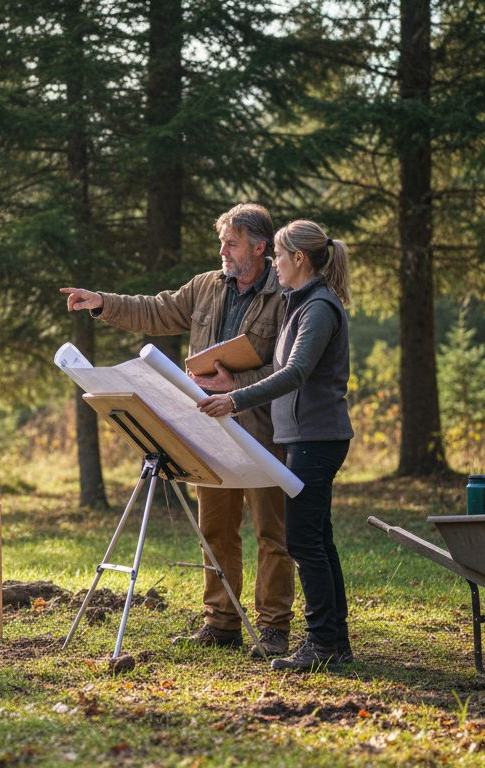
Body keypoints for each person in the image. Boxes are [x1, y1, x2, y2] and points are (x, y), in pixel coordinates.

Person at [60, 203, 294, 658]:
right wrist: (103, 302)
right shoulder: (206, 286)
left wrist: (239, 384)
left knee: (273, 534)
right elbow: (157, 309)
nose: (223, 250)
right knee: (215, 529)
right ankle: (221, 622)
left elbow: (291, 368)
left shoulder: (284, 295)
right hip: (207, 427)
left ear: (260, 247)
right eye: (222, 241)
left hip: (263, 430)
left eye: (232, 242)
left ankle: (273, 629)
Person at [197, 219, 354, 671]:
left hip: (315, 440)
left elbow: (296, 372)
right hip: (301, 438)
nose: (275, 265)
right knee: (317, 541)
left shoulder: (318, 307)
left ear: (298, 259)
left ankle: (323, 644)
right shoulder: (299, 303)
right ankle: (334, 642)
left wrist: (235, 398)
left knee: (304, 543)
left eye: (280, 257)